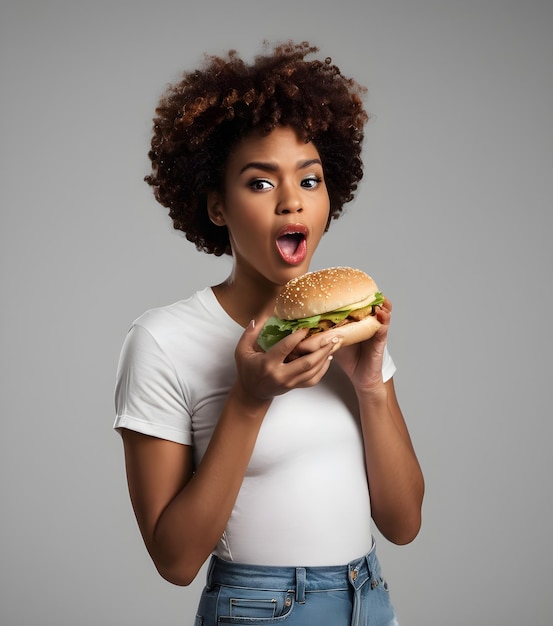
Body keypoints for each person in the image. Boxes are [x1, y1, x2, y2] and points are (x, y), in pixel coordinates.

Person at [114, 40, 424, 626]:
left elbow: (404, 524)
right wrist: (249, 400)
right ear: (216, 206)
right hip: (260, 608)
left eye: (310, 181)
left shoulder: (345, 325)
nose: (291, 203)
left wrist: (372, 387)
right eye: (260, 184)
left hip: (370, 597)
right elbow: (175, 560)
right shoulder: (161, 340)